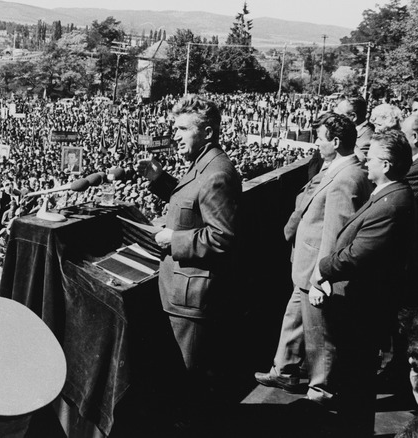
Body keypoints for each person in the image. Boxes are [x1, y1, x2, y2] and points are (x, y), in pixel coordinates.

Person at [254, 113, 372, 403]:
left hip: (316, 269)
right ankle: (284, 369)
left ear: (335, 141)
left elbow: (335, 234)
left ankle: (320, 388)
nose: (316, 144)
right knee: (294, 319)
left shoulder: (347, 177)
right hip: (305, 265)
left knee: (319, 332)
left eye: (320, 138)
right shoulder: (338, 168)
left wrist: (322, 278)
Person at [135, 95, 240, 393]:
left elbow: (222, 238)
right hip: (183, 290)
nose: (175, 136)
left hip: (192, 297)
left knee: (188, 382)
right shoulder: (204, 164)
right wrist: (159, 179)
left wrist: (174, 238)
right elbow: (191, 204)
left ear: (207, 132)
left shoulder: (217, 173)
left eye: (182, 129)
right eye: (174, 128)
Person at [316, 129, 416, 436]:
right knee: (354, 374)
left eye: (370, 157)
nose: (363, 160)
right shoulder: (389, 194)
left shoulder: (392, 202)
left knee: (356, 373)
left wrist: (323, 267)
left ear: (385, 165)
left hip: (366, 304)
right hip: (365, 300)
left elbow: (359, 254)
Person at [334, 95, 373, 161]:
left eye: (340, 116)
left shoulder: (366, 140)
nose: (336, 119)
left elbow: (359, 163)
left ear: (353, 116)